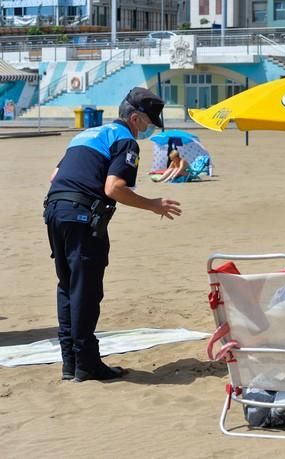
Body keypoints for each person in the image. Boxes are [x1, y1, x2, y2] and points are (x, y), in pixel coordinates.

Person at [43, 87, 182, 382]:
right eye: (147, 123)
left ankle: (71, 362)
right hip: (82, 217)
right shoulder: (125, 140)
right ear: (134, 117)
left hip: (55, 210)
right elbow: (114, 188)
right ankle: (87, 364)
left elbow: (55, 176)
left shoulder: (84, 135)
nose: (147, 129)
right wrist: (152, 205)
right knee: (86, 290)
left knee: (67, 286)